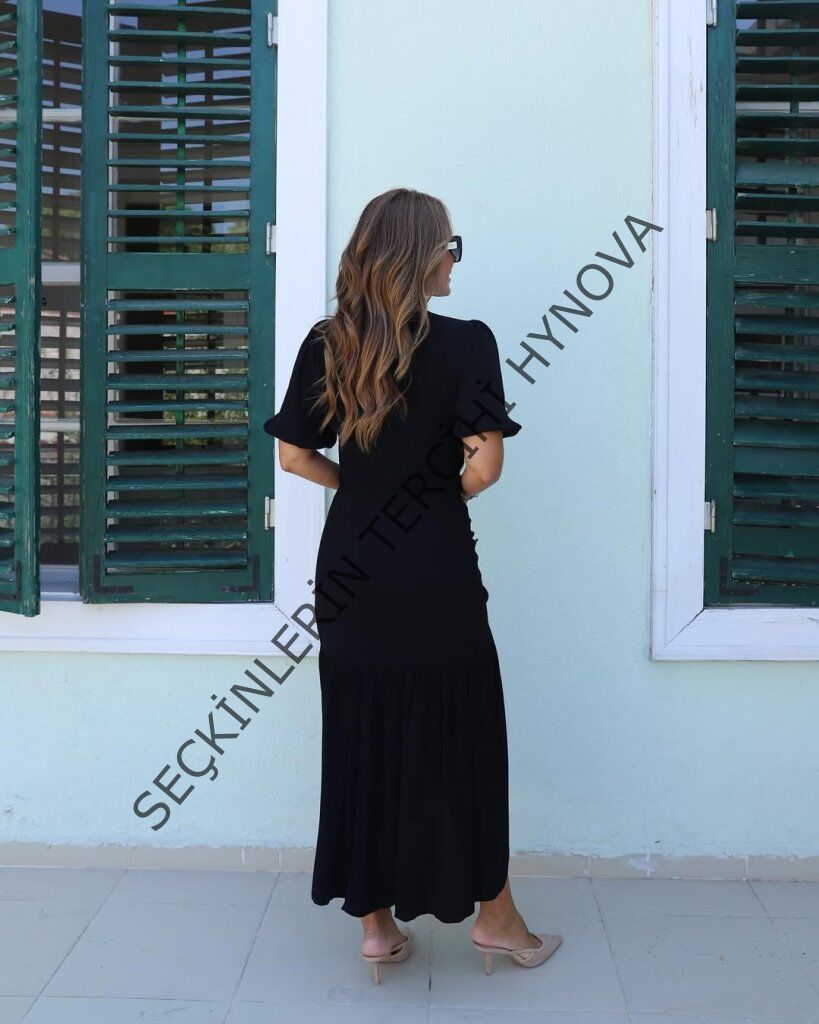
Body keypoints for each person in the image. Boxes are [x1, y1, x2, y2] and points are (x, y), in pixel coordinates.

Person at [263, 187, 562, 983]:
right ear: (421, 254)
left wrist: (363, 492)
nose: (454, 261)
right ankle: (495, 920)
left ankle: (375, 926)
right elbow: (484, 467)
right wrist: (430, 498)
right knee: (459, 736)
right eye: (448, 246)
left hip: (351, 566)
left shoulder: (327, 343)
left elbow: (293, 456)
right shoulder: (467, 343)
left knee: (362, 731)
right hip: (434, 566)